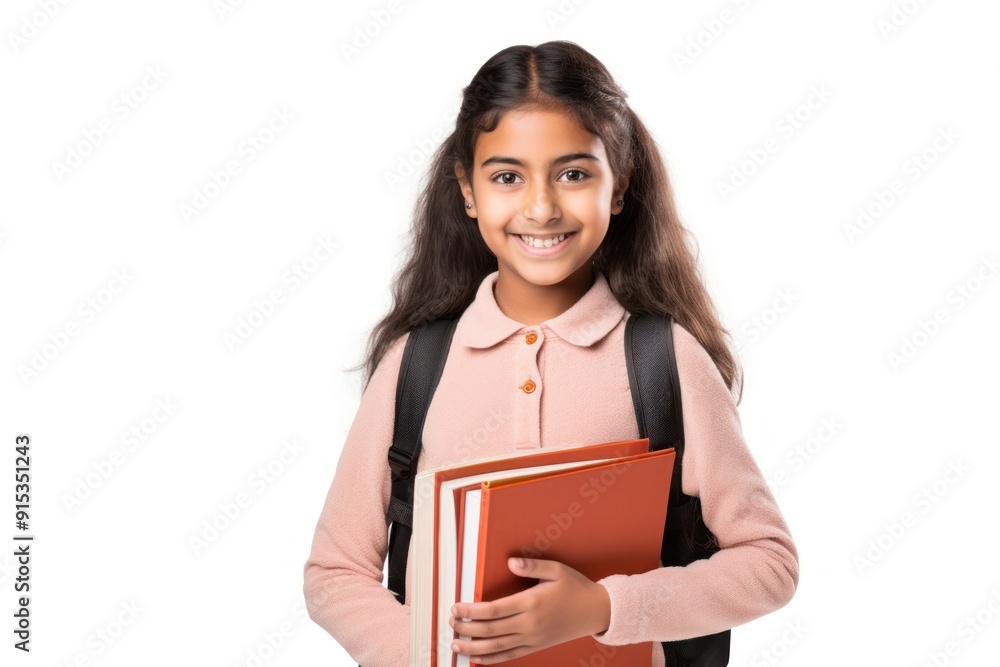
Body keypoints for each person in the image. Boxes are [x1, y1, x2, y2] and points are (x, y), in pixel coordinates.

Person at [303, 40, 798, 667]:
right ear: (468, 190)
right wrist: (421, 656)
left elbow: (768, 563)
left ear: (618, 187)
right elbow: (334, 570)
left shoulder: (663, 361)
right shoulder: (418, 364)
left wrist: (602, 609)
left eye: (573, 173)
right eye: (507, 177)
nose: (540, 207)